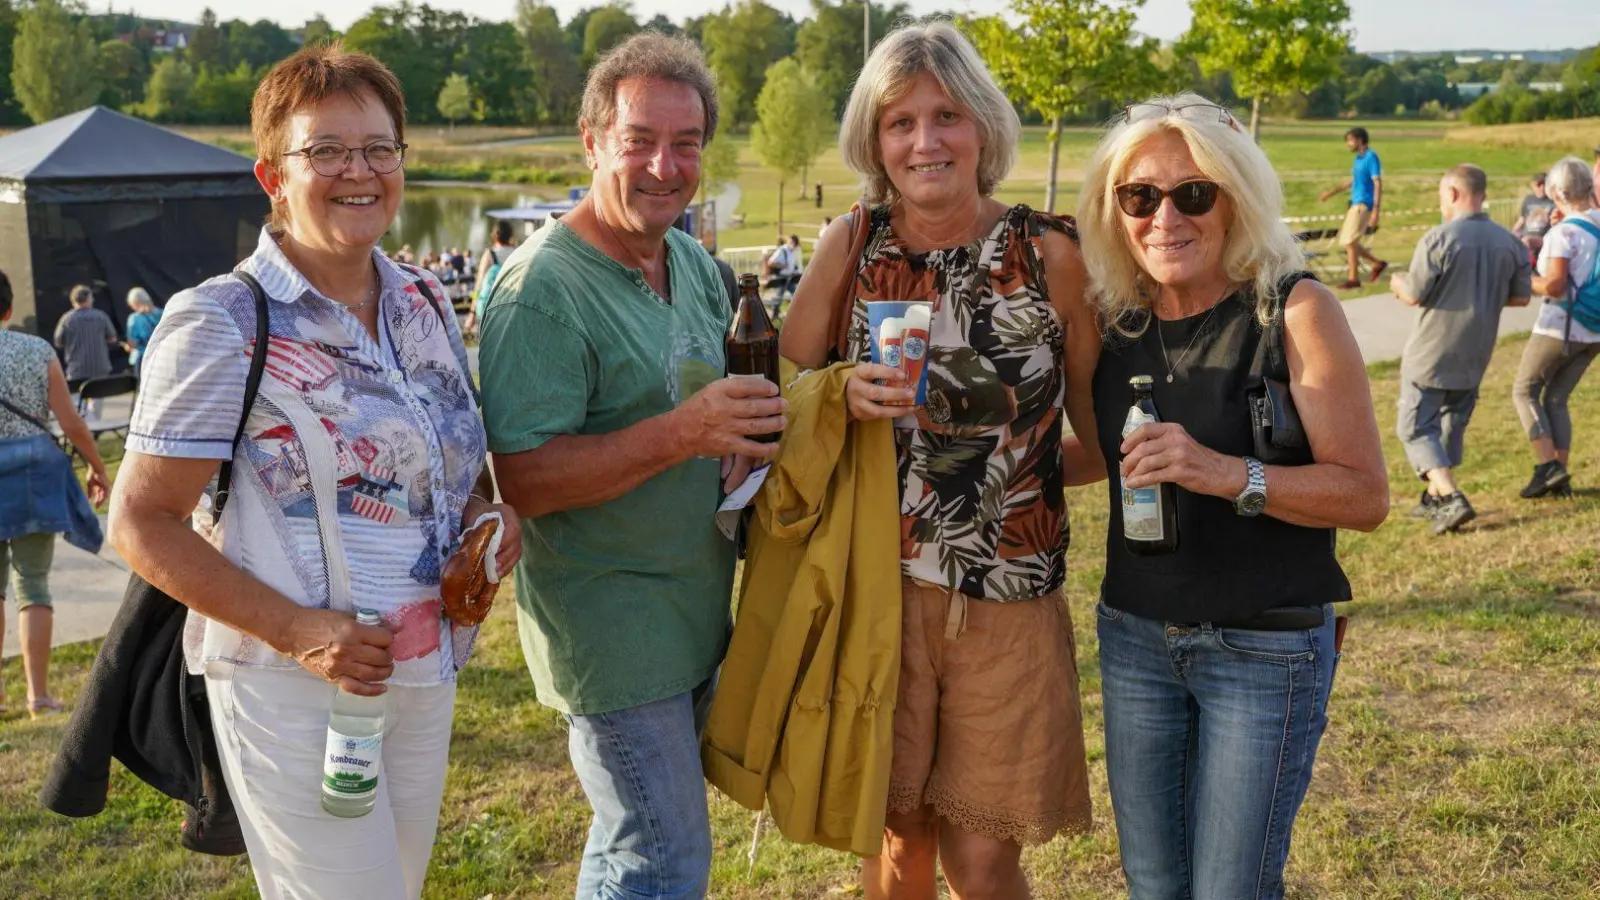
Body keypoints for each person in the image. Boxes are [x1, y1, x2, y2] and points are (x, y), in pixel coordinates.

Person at [106, 44, 519, 900]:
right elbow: (140, 523)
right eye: (326, 150)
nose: (358, 171)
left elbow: (453, 466)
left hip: (422, 673)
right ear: (273, 176)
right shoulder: (222, 322)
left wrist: (486, 516)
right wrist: (300, 632)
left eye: (378, 148)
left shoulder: (424, 301)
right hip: (293, 688)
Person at [778, 22, 1101, 897]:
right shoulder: (853, 245)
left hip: (1009, 599)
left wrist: (1015, 477)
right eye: (901, 122)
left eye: (947, 115)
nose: (926, 141)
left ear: (983, 127)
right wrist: (839, 393)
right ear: (875, 142)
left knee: (984, 860)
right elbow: (782, 391)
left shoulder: (1049, 253)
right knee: (897, 843)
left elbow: (1103, 437)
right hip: (876, 594)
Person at [477, 33, 782, 899]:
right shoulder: (540, 290)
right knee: (664, 857)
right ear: (591, 141)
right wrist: (683, 435)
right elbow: (523, 479)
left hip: (692, 613)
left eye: (686, 143)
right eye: (639, 140)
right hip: (611, 633)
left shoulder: (689, 260)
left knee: (629, 845)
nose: (664, 166)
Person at [1075, 94, 1389, 900]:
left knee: (1230, 889)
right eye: (1139, 196)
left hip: (1265, 647)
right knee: (1154, 884)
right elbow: (1104, 455)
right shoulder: (1114, 321)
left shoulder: (1294, 310)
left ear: (1236, 197)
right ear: (1114, 210)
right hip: (1136, 637)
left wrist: (1225, 473)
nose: (1165, 218)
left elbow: (1364, 495)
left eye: (1194, 193)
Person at [1390, 164, 1531, 534]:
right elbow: (1521, 297)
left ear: (1452, 193)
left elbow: (1414, 294)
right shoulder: (1510, 242)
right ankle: (1434, 496)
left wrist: (1397, 281)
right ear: (1483, 194)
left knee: (1415, 427)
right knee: (1452, 423)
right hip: (1476, 350)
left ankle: (1451, 496)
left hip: (1432, 351)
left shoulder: (1439, 238)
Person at [0, 269, 111, 718]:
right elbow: (71, 423)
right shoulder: (37, 350)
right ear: (9, 308)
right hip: (34, 476)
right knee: (33, 584)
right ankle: (38, 696)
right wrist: (98, 468)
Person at [1513, 156, 1600, 499]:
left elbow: (1554, 285)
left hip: (1561, 326)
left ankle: (1548, 466)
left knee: (1524, 390)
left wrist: (1524, 278)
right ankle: (1558, 475)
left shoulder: (1563, 233)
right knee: (1557, 398)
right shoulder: (1592, 223)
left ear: (1556, 193)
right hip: (1594, 330)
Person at [1319, 126, 1387, 290]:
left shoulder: (1371, 157)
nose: (1348, 144)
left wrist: (1376, 210)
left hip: (1364, 204)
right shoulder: (1358, 159)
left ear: (1359, 140)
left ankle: (1353, 279)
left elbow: (1377, 183)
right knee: (1348, 240)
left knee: (1349, 241)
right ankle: (1377, 263)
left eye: (1350, 140)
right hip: (1355, 203)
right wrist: (1331, 193)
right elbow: (1353, 181)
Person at [53, 285, 119, 418]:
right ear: (89, 299)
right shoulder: (101, 316)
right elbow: (112, 338)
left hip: (77, 369)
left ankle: (82, 421)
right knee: (97, 400)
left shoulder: (67, 319)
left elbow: (58, 341)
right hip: (99, 366)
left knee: (77, 401)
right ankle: (94, 423)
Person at [465, 219, 516, 337]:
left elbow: (479, 284)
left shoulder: (490, 254)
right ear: (510, 235)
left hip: (492, 307)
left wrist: (472, 312)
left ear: (494, 235)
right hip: (512, 306)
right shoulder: (517, 251)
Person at [121, 287, 163, 381]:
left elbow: (133, 343)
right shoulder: (161, 313)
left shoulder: (134, 319)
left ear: (135, 302)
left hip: (143, 359)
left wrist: (127, 347)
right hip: (162, 357)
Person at [1512, 172, 1556, 256]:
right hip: (1526, 234)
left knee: (1527, 240)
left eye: (1544, 185)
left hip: (1543, 237)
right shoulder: (1528, 199)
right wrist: (1512, 232)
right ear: (1533, 186)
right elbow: (1522, 219)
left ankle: (1528, 261)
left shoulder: (1552, 201)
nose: (1541, 188)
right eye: (1538, 185)